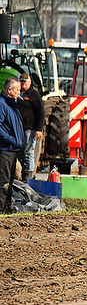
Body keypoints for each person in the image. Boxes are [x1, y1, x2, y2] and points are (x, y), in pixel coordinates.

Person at [0, 77, 24, 213]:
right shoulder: (2, 104)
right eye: (17, 90)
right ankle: (1, 209)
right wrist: (11, 140)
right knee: (3, 180)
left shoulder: (11, 104)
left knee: (10, 179)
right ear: (10, 90)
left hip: (13, 148)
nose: (19, 93)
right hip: (6, 148)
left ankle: (7, 207)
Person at [16, 73, 44, 181]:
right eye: (21, 81)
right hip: (18, 128)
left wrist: (38, 129)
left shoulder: (34, 95)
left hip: (30, 128)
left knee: (28, 152)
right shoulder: (17, 94)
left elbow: (41, 113)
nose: (23, 84)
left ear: (30, 82)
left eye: (25, 82)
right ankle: (22, 173)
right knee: (20, 152)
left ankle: (28, 177)